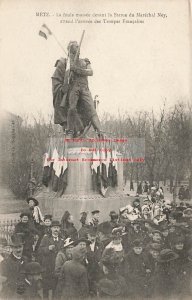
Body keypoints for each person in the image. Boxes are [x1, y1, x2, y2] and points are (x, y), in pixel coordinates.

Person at [52, 40, 101, 137]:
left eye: (78, 48)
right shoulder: (66, 63)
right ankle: (70, 132)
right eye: (74, 49)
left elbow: (90, 72)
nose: (77, 50)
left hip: (84, 89)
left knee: (91, 110)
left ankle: (100, 132)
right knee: (72, 108)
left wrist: (77, 70)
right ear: (70, 51)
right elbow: (59, 80)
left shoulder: (85, 61)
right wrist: (64, 86)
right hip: (73, 90)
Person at [38, 220, 64, 299]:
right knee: (46, 288)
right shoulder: (46, 238)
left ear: (59, 229)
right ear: (51, 229)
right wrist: (48, 248)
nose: (56, 230)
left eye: (57, 228)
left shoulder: (62, 240)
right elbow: (39, 250)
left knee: (55, 288)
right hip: (47, 267)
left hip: (57, 267)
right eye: (54, 228)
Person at [0, 234, 26, 299]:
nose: (18, 250)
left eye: (20, 247)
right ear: (11, 248)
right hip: (11, 295)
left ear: (23, 246)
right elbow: (4, 282)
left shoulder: (26, 260)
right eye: (15, 247)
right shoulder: (5, 263)